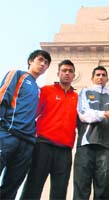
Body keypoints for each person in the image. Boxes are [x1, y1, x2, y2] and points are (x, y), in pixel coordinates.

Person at [20, 59, 78, 199]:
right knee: (33, 186)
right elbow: (32, 113)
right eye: (64, 70)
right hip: (43, 145)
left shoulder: (77, 97)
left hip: (65, 150)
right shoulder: (46, 91)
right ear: (58, 73)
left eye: (70, 71)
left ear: (74, 75)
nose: (67, 73)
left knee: (60, 191)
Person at [0, 50, 51, 199]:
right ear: (31, 61)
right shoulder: (17, 74)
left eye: (46, 63)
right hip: (8, 134)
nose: (43, 64)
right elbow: (2, 96)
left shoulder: (38, 90)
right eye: (40, 60)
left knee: (12, 186)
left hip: (26, 142)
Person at [73, 66, 109, 200]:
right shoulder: (85, 93)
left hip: (107, 147)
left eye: (103, 75)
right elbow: (83, 114)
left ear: (107, 78)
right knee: (81, 186)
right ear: (92, 78)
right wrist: (105, 114)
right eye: (98, 75)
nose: (100, 77)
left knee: (103, 188)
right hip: (86, 144)